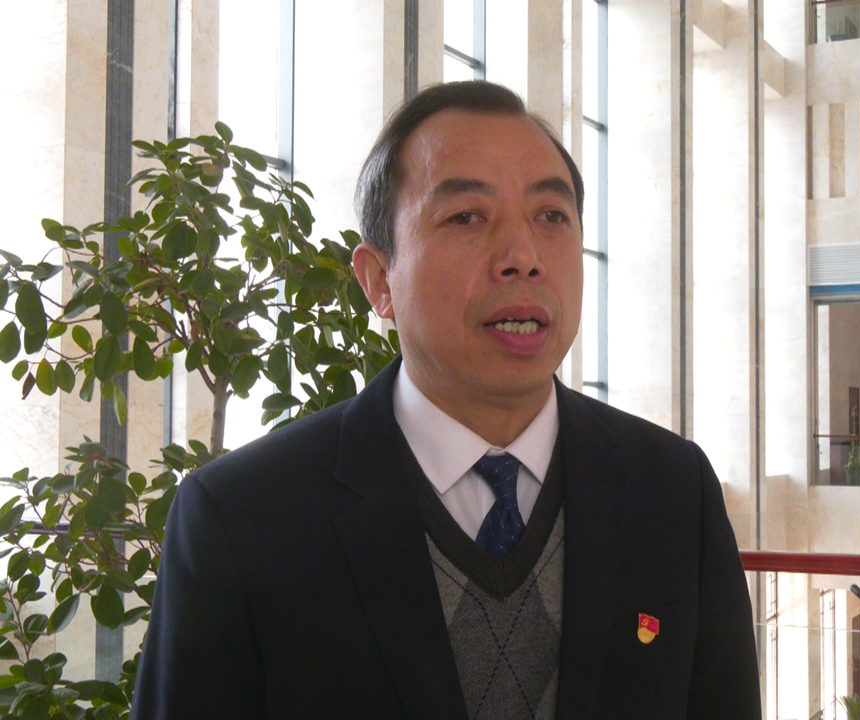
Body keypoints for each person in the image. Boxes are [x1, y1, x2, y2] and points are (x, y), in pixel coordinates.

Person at [132, 81, 760, 719]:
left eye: (551, 216)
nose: (523, 258)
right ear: (380, 280)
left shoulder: (674, 492)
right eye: (466, 217)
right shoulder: (241, 520)